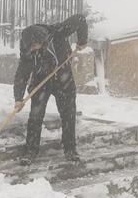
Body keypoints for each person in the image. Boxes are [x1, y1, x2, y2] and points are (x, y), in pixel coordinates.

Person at [12, 13, 89, 164]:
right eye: (30, 47)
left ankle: (70, 150)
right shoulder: (27, 47)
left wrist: (82, 41)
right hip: (41, 80)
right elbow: (22, 72)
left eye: (34, 46)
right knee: (35, 116)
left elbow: (80, 19)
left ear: (43, 40)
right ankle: (31, 151)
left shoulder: (58, 32)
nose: (32, 49)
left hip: (63, 78)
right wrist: (18, 98)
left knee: (68, 115)